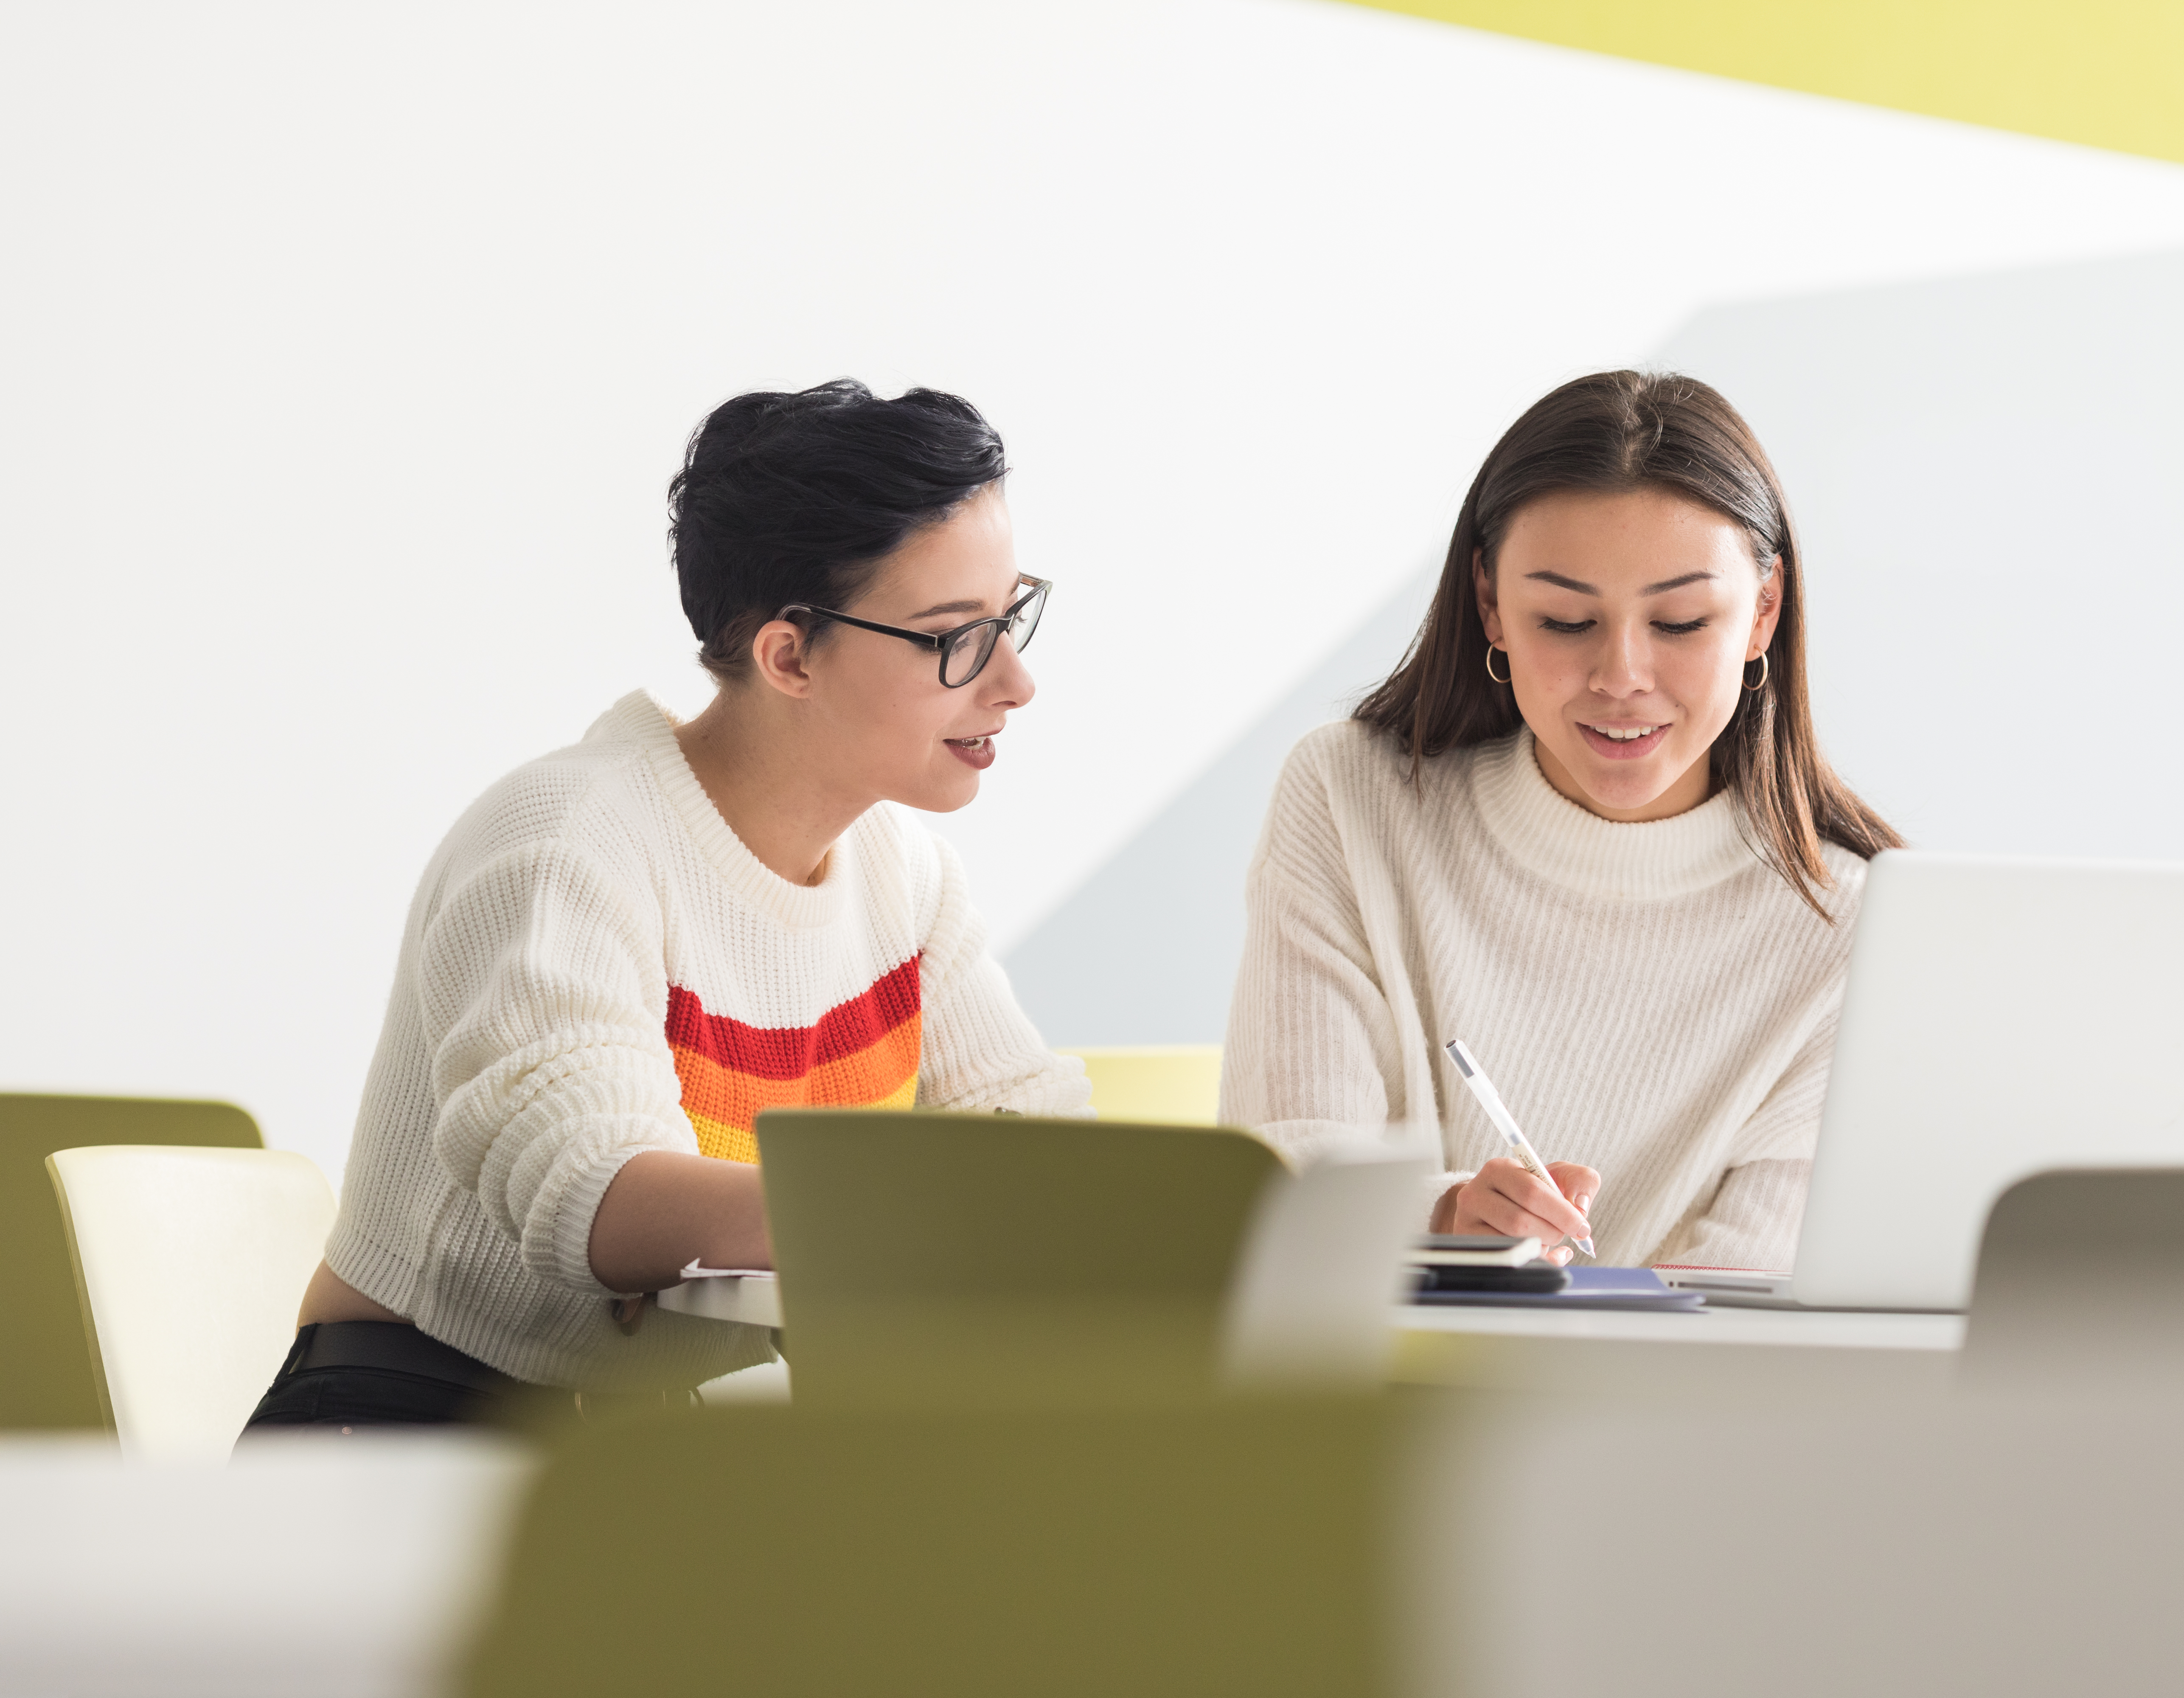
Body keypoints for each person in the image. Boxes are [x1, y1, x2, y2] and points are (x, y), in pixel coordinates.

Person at [251, 381, 1087, 1428]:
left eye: (1011, 616)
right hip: (410, 1424)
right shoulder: (566, 841)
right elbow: (601, 1199)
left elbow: (1040, 1143)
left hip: (640, 1443)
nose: (1014, 680)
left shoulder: (904, 874)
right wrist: (931, 1209)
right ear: (789, 655)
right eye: (956, 635)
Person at [1221, 370, 1902, 1272]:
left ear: (1762, 614)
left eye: (1682, 620)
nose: (1621, 674)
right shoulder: (1352, 798)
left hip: (1685, 1406)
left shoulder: (1857, 926)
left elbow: (1759, 1293)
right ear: (1492, 608)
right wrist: (1447, 1217)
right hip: (1377, 1395)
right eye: (1566, 619)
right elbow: (1284, 1176)